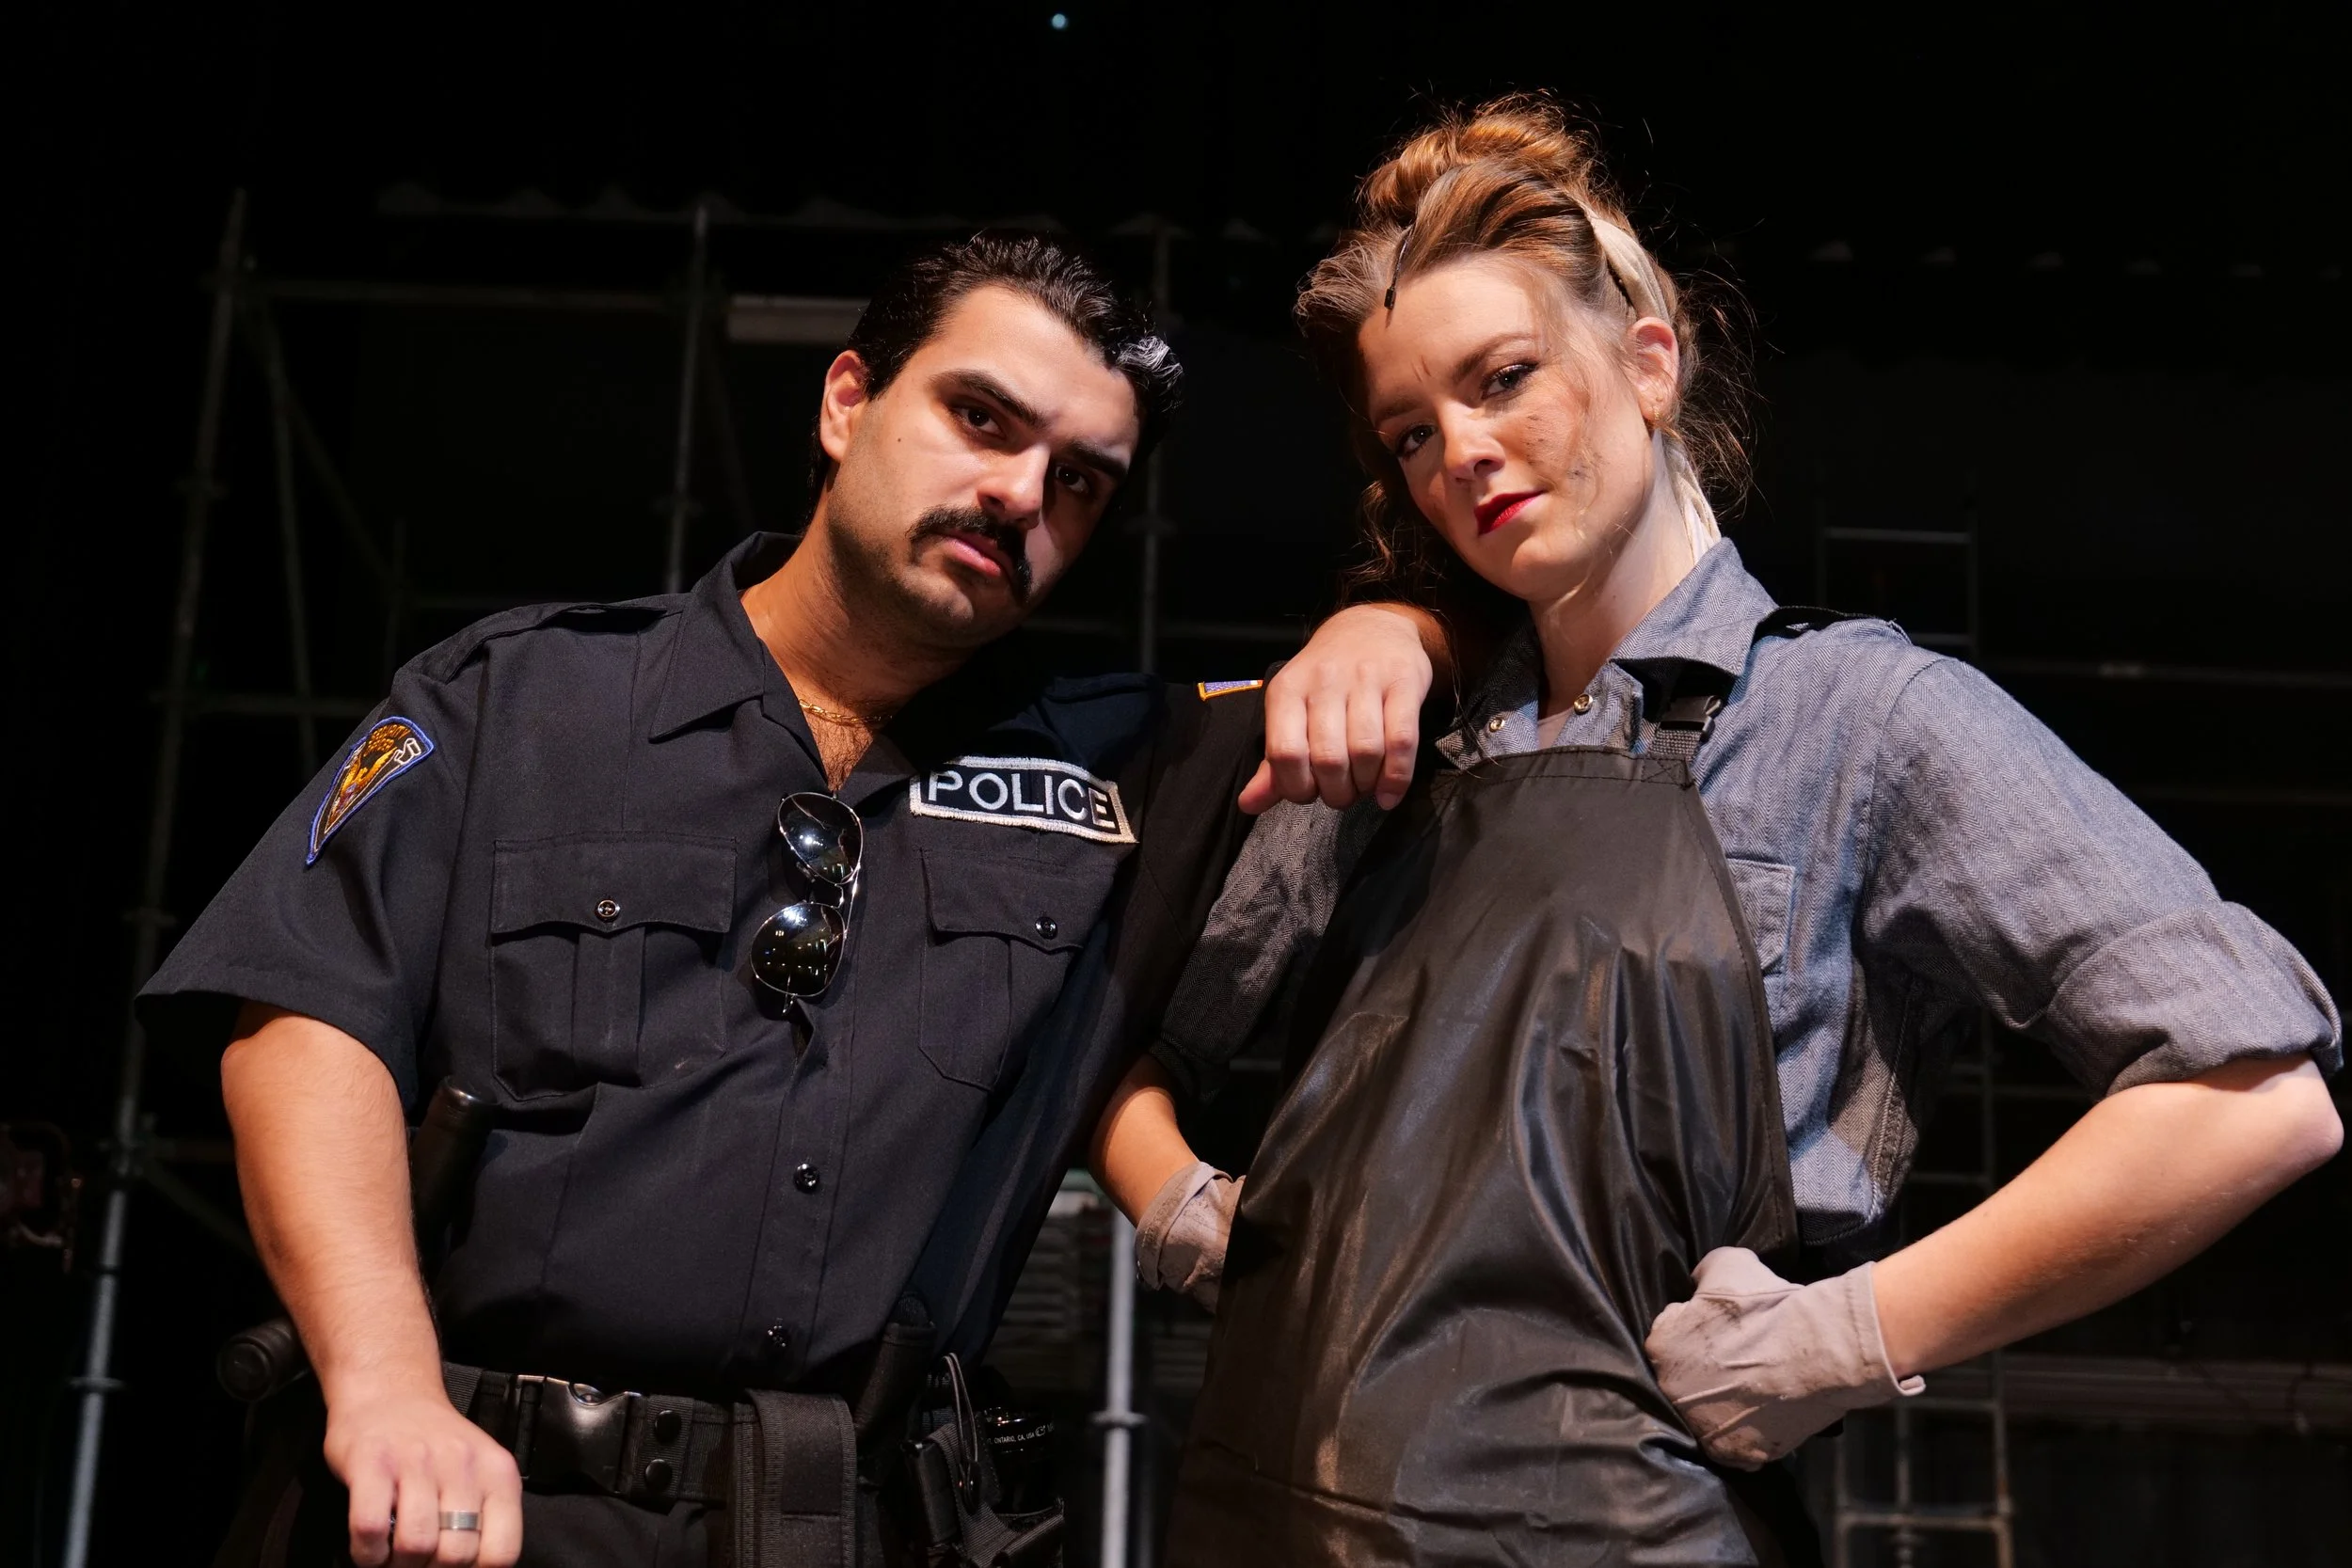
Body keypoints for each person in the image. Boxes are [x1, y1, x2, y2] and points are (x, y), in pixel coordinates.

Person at [1088, 99, 2344, 1566]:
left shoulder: (1859, 722)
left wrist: (1853, 1333)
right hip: (1273, 1515)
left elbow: (2255, 1090)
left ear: (1650, 361)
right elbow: (1111, 1035)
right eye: (1415, 434)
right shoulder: (1397, 727)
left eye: (1506, 381)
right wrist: (1173, 1198)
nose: (1466, 456)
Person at [139, 232, 1432, 1568]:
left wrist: (1391, 628)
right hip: (474, 1503)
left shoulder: (1123, 773)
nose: (1019, 492)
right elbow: (303, 1018)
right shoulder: (521, 699)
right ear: (847, 401)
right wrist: (383, 1378)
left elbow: (1472, 654)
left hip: (848, 1522)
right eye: (980, 417)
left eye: (1080, 483)